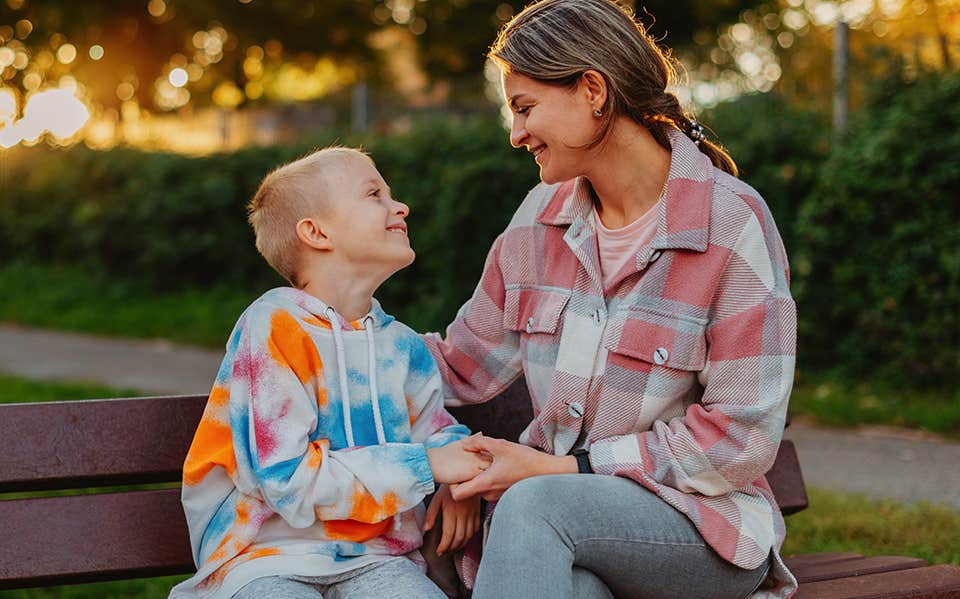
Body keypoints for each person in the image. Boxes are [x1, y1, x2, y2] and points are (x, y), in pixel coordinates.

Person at [423, 1, 800, 597]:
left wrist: (565, 470)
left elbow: (739, 438)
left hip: (698, 528)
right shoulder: (536, 224)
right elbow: (459, 368)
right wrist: (320, 332)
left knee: (535, 503)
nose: (516, 134)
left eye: (524, 108)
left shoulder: (730, 225)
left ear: (593, 90)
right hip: (561, 531)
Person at [172, 147, 488, 599]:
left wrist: (463, 478)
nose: (400, 206)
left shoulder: (402, 347)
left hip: (378, 556)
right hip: (266, 557)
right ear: (317, 232)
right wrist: (428, 466)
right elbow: (287, 480)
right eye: (373, 193)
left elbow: (436, 431)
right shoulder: (274, 327)